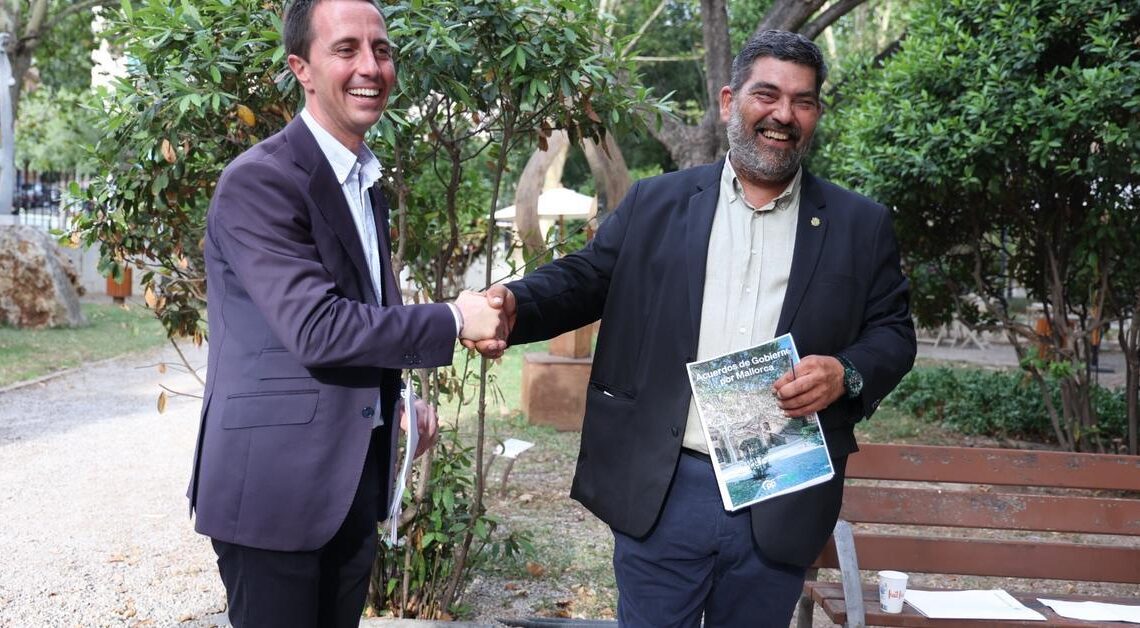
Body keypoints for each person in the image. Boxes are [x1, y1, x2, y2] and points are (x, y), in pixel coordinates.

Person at [476, 30, 916, 627]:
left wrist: (845, 372)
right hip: (665, 486)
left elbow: (893, 333)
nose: (783, 115)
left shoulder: (859, 224)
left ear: (816, 114)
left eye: (803, 101)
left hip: (780, 487)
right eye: (767, 95)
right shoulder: (655, 204)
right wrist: (514, 304)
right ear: (730, 102)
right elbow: (584, 279)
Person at [186, 1, 505, 625]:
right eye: (346, 49)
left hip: (350, 482)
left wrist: (394, 402)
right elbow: (317, 328)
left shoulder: (361, 181)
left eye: (381, 50)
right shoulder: (261, 181)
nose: (371, 66)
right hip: (275, 494)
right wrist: (454, 318)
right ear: (301, 68)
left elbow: (361, 317)